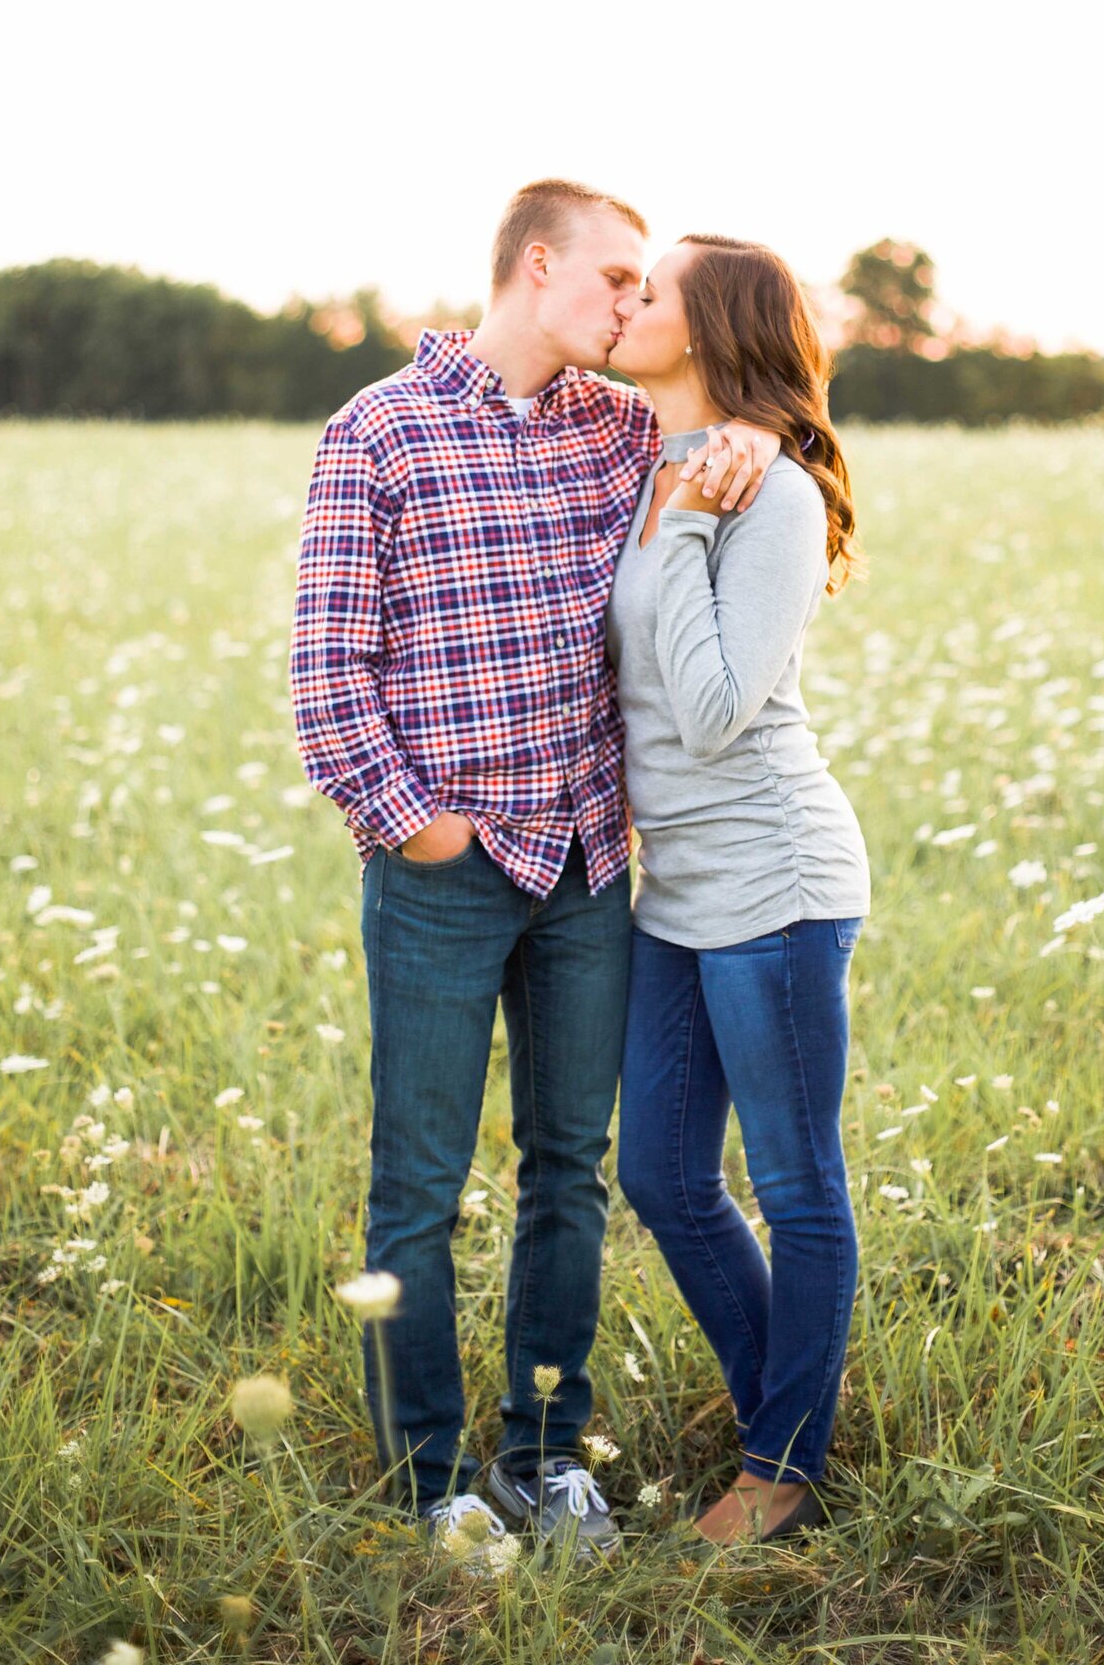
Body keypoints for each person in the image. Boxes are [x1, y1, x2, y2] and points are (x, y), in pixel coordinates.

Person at [289, 179, 781, 1560]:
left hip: (583, 865)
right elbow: (330, 678)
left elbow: (727, 449)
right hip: (444, 866)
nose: (635, 306)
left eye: (644, 289)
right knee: (421, 1185)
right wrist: (420, 825)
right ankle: (431, 1482)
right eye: (619, 279)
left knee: (569, 1167)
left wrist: (743, 434)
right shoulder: (377, 430)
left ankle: (547, 1458)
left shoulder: (623, 429)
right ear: (540, 262)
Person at [606, 234, 870, 1545]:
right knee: (658, 1170)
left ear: (707, 330)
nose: (623, 302)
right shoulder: (646, 460)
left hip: (774, 877)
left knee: (795, 1178)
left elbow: (712, 716)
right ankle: (786, 1405)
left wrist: (699, 527)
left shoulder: (765, 497)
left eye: (647, 291)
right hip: (675, 889)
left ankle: (782, 1464)